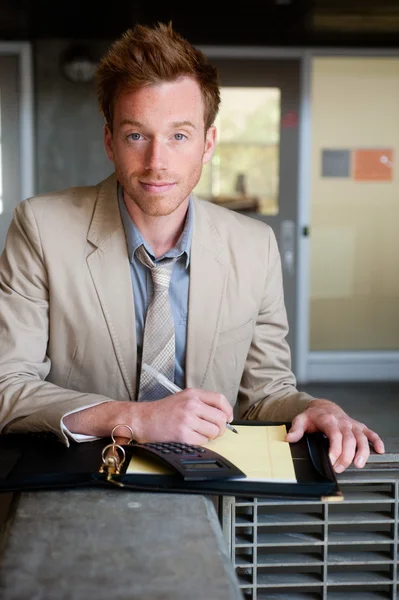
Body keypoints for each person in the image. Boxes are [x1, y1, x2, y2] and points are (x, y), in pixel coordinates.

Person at [0, 22, 384, 472]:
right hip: (85, 485)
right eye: (136, 135)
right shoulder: (42, 228)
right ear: (110, 141)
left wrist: (314, 407)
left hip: (209, 489)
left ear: (208, 143)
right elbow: (8, 387)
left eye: (179, 135)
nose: (157, 162)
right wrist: (135, 418)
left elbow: (265, 395)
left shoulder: (253, 246)